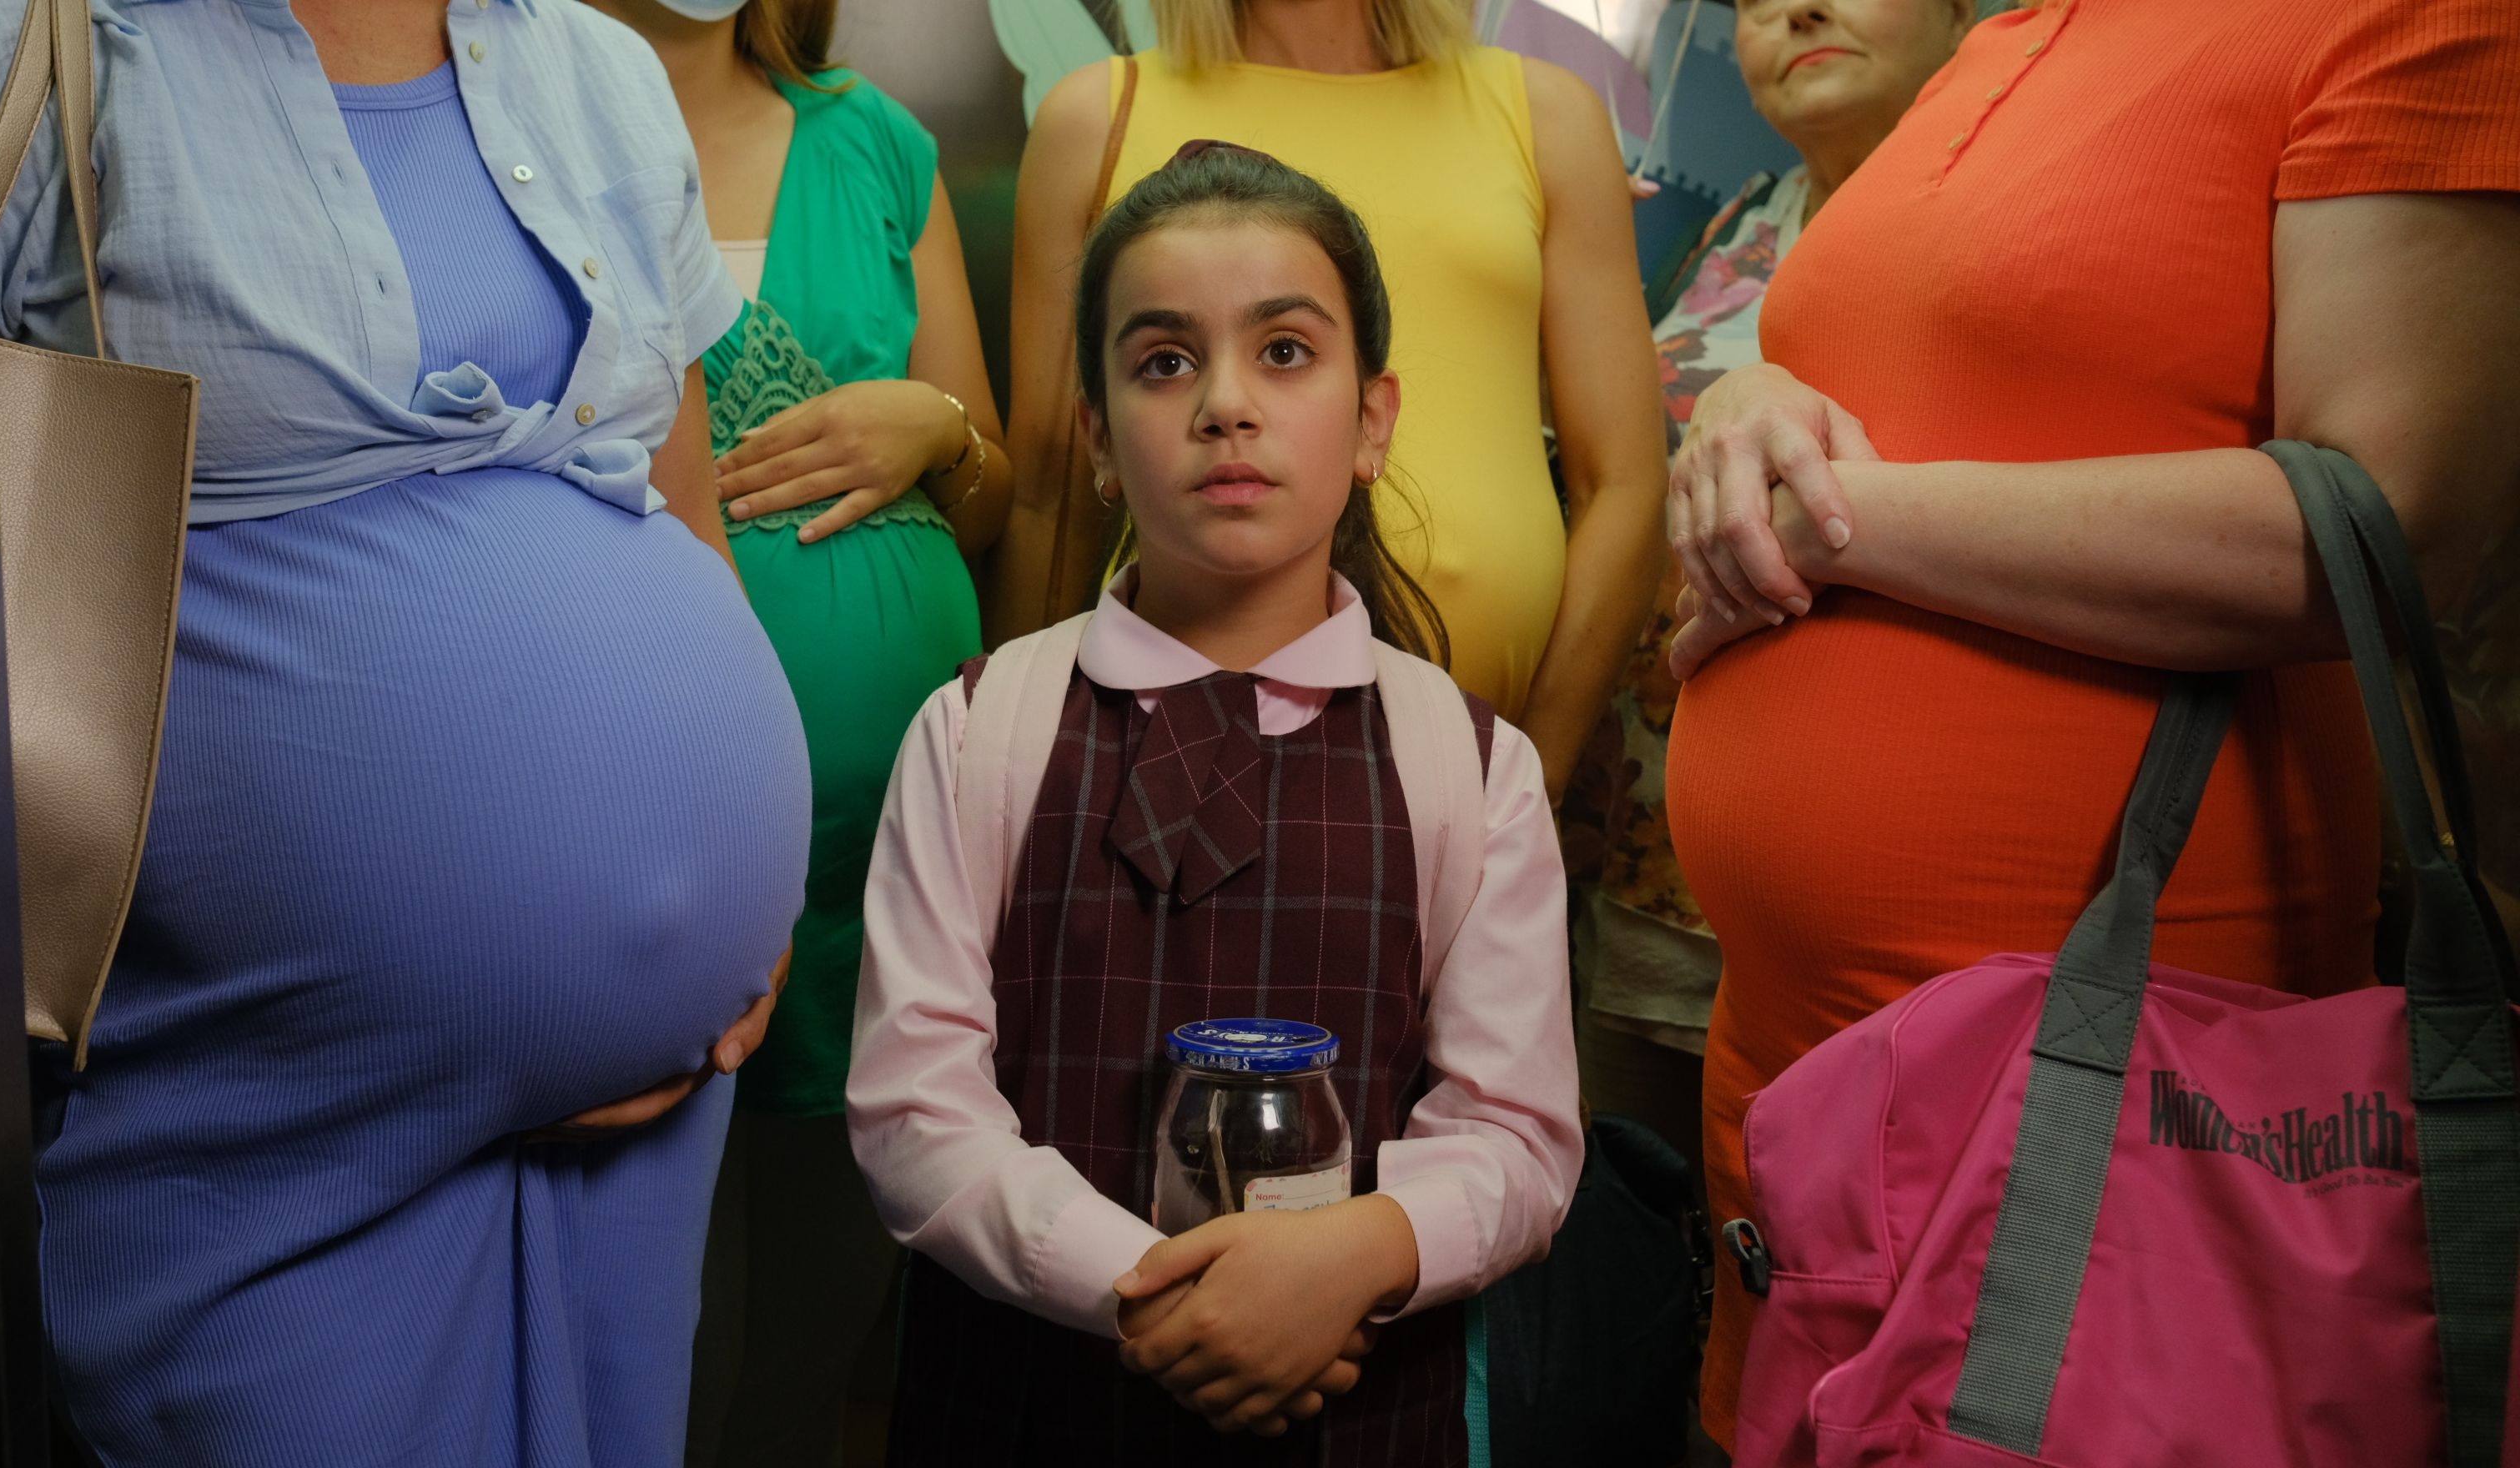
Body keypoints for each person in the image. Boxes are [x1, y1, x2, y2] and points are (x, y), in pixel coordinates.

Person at [1651, 0, 2520, 1450]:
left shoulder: (2398, 18)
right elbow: (1925, 361)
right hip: (1793, 1073)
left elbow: (2385, 529)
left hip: (2098, 1095)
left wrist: (1841, 530)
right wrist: (1755, 390)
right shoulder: (2002, 43)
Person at [0, 0, 809, 1460]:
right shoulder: (23, 45)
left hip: (654, 1112)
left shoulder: (600, 69)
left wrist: (749, 898)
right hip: (261, 1127)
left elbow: (680, 507)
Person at [846, 143, 1584, 1464]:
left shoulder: (1473, 768)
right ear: (1098, 438)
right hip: (1021, 1410)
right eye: (1165, 361)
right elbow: (916, 1113)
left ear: (1374, 420)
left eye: (1285, 353)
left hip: (1362, 1418)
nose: (1226, 405)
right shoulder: (976, 731)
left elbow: (1514, 1137)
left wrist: (1352, 1260)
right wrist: (1159, 1298)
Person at [585, 3, 1013, 1460]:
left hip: (884, 844)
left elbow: (992, 490)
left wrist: (936, 427)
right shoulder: (514, 127)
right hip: (631, 820)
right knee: (653, 1302)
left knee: (824, 1307)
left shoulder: (877, 144)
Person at [993, 0, 1666, 801]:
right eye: (1171, 363)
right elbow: (1049, 495)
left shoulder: (1549, 116)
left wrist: (1530, 783)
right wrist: (1015, 774)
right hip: (1150, 764)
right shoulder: (1094, 117)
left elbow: (1625, 484)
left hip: (1488, 778)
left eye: (1283, 352)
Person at [1566, 0, 1971, 1217]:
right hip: (1649, 867)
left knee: (1851, 1246)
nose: (1795, 9)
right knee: (1632, 1253)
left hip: (1882, 894)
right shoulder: (1740, 221)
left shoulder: (2006, 221)